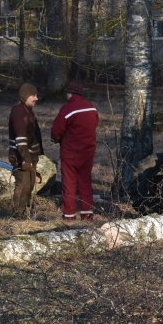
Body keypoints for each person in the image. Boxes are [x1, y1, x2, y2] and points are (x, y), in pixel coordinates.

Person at [51, 81, 100, 221]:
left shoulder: (67, 109)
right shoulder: (91, 108)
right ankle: (87, 215)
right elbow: (95, 123)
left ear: (70, 93)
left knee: (69, 184)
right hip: (88, 152)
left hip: (70, 153)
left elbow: (56, 131)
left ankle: (69, 216)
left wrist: (57, 139)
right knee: (85, 183)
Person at [8, 82, 44, 219]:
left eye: (36, 95)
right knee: (22, 186)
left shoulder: (27, 111)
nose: (36, 98)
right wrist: (25, 159)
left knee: (29, 186)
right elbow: (21, 140)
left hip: (30, 156)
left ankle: (26, 213)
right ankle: (18, 215)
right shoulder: (19, 113)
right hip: (21, 156)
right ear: (25, 96)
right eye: (33, 96)